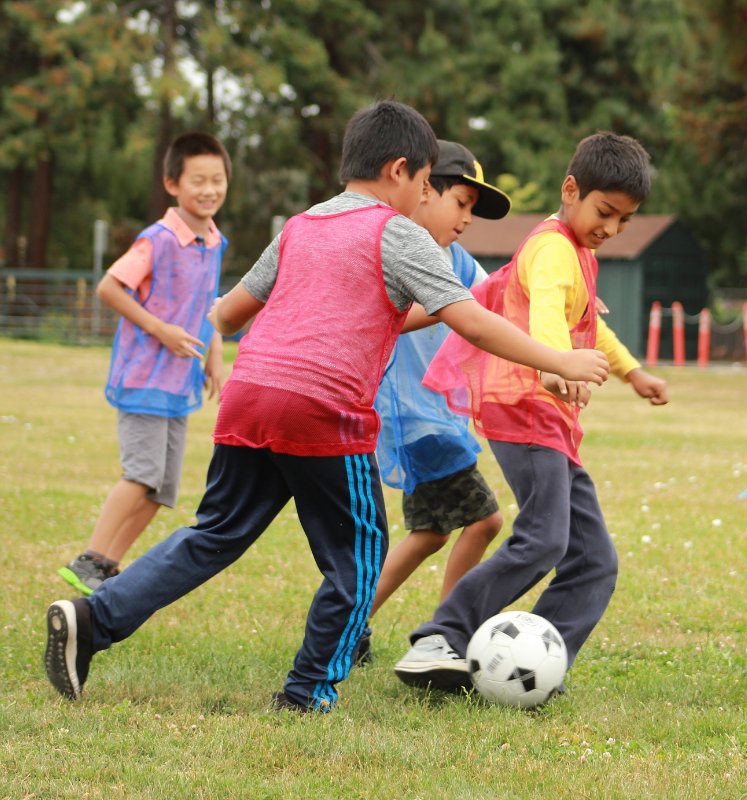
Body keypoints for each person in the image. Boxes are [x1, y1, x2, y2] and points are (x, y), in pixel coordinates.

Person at [44, 101, 609, 714]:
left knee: (214, 535)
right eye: (426, 184)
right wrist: (559, 361)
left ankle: (92, 620)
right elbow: (468, 324)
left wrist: (225, 353)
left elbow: (228, 313)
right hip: (322, 408)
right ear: (400, 171)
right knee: (360, 559)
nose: (425, 199)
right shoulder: (397, 232)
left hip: (249, 399)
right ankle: (308, 689)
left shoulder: (301, 225)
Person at [394, 131, 669, 693]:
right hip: (525, 407)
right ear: (572, 189)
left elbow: (589, 322)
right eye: (604, 212)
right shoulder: (551, 249)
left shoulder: (579, 254)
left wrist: (632, 371)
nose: (611, 229)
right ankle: (441, 636)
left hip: (551, 419)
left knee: (594, 559)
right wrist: (554, 365)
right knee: (544, 539)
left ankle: (542, 665)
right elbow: (546, 308)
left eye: (624, 221)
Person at [57, 132, 230, 595]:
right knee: (141, 475)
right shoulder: (157, 239)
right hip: (142, 378)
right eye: (199, 180)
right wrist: (161, 329)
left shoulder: (213, 241)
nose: (210, 189)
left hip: (179, 383)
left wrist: (214, 352)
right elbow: (110, 287)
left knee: (162, 491)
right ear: (172, 183)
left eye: (218, 179)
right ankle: (89, 558)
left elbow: (208, 300)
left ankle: (107, 568)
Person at [358, 140, 511, 664]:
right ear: (424, 190)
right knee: (485, 521)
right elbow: (393, 318)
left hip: (434, 420)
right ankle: (446, 634)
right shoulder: (396, 252)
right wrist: (452, 308)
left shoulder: (458, 261)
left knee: (428, 533)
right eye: (461, 202)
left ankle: (350, 624)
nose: (467, 218)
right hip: (411, 419)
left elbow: (499, 301)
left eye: (473, 208)